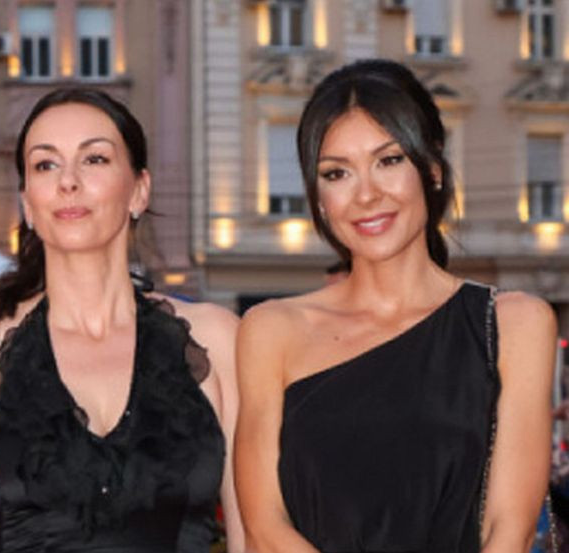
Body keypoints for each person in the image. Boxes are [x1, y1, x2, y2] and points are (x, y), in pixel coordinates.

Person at [235, 59, 555, 552]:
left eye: (388, 161)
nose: (366, 194)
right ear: (318, 197)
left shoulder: (514, 324)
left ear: (432, 168)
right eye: (337, 173)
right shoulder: (270, 329)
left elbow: (508, 530)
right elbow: (264, 526)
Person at [0, 88, 243, 553]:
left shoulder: (217, 338)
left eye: (94, 159)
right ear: (27, 204)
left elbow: (253, 536)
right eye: (45, 165)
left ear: (139, 190)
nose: (68, 181)